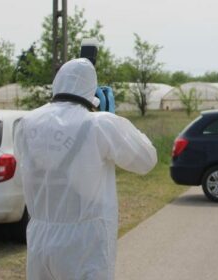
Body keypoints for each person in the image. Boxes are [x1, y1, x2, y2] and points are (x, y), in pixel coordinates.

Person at [14, 58, 157, 280]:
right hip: (85, 241)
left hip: (40, 237)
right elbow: (146, 160)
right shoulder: (99, 124)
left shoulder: (27, 122)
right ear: (92, 91)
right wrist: (115, 118)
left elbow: (27, 166)